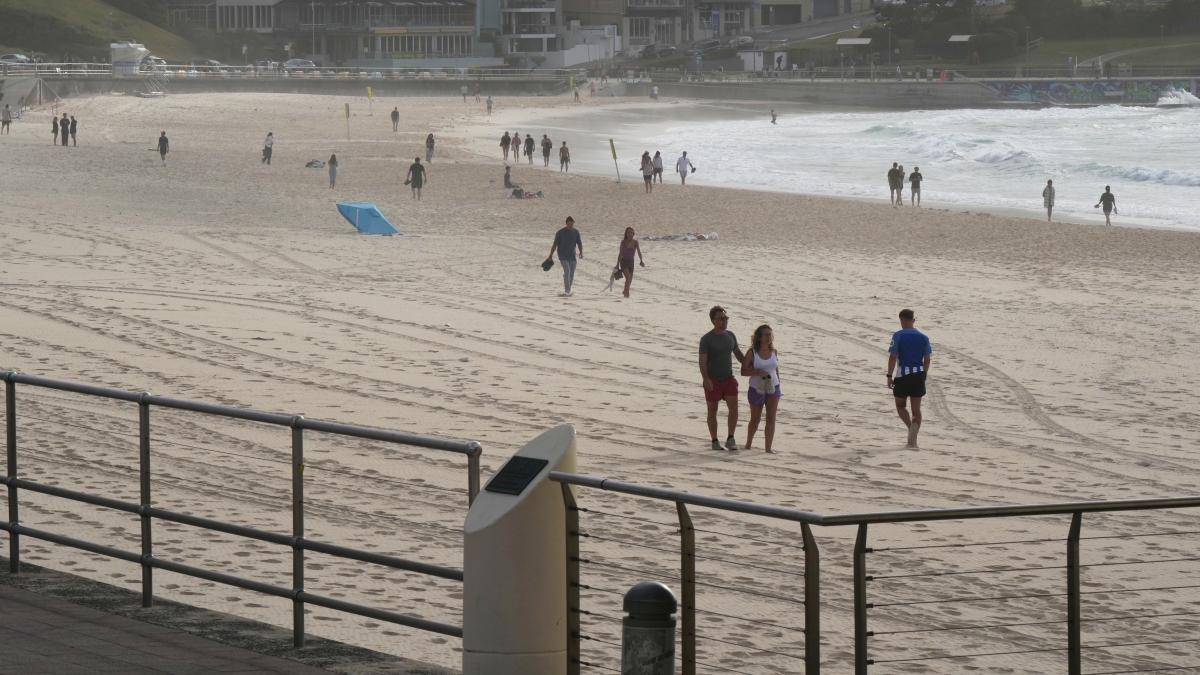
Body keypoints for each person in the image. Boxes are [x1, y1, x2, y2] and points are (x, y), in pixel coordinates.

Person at [699, 306, 745, 452]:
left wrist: (749, 365)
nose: (725, 321)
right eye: (721, 319)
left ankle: (730, 438)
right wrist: (706, 379)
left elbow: (738, 353)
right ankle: (714, 441)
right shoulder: (706, 339)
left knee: (734, 407)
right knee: (712, 410)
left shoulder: (731, 335)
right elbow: (702, 361)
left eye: (726, 318)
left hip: (729, 378)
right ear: (713, 321)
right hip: (713, 380)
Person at [887, 308, 932, 449]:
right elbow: (927, 358)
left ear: (901, 320)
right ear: (913, 320)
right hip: (919, 374)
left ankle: (910, 428)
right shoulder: (923, 336)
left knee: (900, 406)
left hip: (903, 374)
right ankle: (914, 434)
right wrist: (924, 373)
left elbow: (893, 356)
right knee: (916, 410)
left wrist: (889, 375)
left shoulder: (898, 335)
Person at [742, 324, 781, 454]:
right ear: (758, 337)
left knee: (771, 419)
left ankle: (768, 449)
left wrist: (778, 382)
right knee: (755, 419)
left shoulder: (774, 351)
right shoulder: (752, 352)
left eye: (770, 334)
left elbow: (775, 368)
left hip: (773, 388)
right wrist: (757, 372)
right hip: (756, 388)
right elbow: (743, 371)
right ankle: (748, 444)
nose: (768, 337)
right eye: (765, 334)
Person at [546, 216, 583, 296]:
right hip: (563, 256)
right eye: (569, 224)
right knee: (567, 271)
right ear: (566, 223)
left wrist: (581, 252)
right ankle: (567, 291)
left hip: (572, 257)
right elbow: (555, 244)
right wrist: (550, 256)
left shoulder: (576, 232)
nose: (570, 226)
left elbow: (579, 243)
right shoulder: (560, 233)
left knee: (571, 274)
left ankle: (568, 289)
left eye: (572, 224)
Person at [616, 226, 644, 298]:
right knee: (628, 278)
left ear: (633, 233)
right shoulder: (623, 242)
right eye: (628, 232)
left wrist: (641, 260)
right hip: (624, 261)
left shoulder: (635, 242)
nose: (630, 234)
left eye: (631, 232)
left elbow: (639, 252)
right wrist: (617, 264)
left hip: (631, 262)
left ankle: (625, 291)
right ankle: (627, 294)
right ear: (626, 233)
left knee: (630, 279)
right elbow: (620, 253)